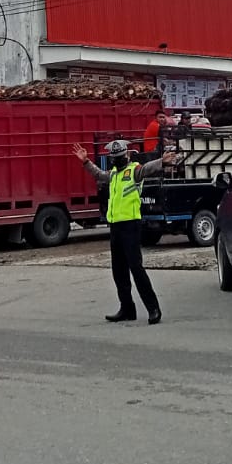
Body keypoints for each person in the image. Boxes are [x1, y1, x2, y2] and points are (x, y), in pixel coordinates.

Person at [73, 138, 178, 325]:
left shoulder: (134, 171)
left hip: (131, 226)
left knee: (136, 269)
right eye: (114, 158)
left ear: (126, 155)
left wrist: (162, 162)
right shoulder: (113, 174)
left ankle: (153, 308)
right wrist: (86, 162)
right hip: (115, 228)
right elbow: (99, 175)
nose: (116, 161)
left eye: (119, 157)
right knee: (118, 271)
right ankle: (127, 308)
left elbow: (147, 169)